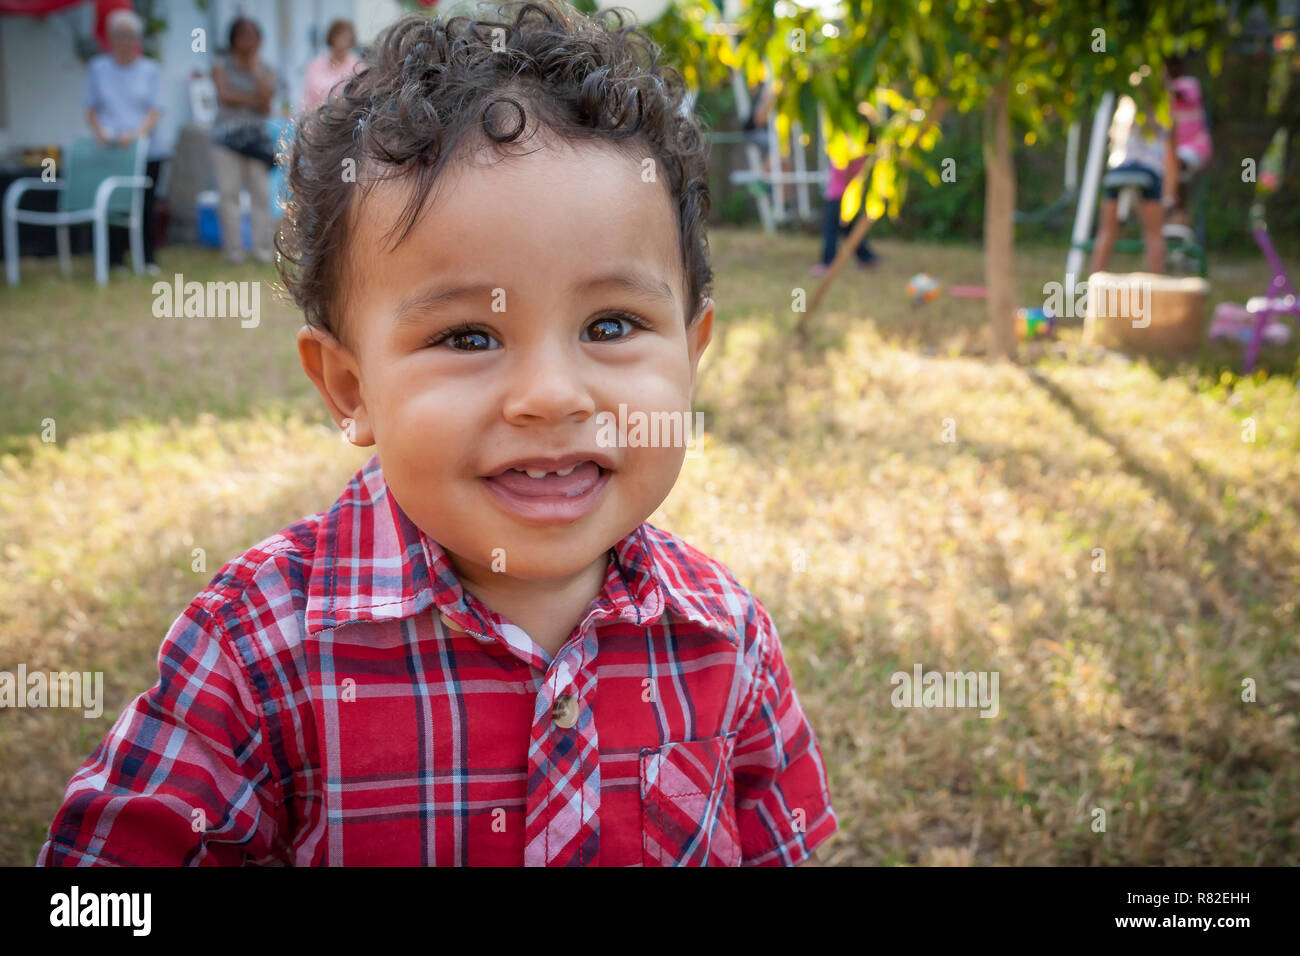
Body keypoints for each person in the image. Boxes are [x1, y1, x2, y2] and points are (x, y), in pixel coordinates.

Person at [37, 0, 837, 867]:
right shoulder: (256, 650)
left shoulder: (725, 637)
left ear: (691, 353)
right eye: (468, 337)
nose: (550, 396)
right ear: (351, 388)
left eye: (610, 325)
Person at [82, 9, 165, 274]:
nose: (125, 42)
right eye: (119, 36)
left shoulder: (150, 69)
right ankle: (114, 259)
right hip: (112, 148)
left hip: (146, 149)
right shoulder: (99, 68)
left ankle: (147, 258)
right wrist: (101, 133)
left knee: (145, 204)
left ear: (137, 40)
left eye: (130, 36)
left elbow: (156, 109)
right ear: (110, 38)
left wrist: (138, 134)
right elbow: (90, 108)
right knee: (112, 204)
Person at [210, 17, 276, 265]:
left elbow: (267, 103)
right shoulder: (221, 65)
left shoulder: (265, 68)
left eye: (253, 36)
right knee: (229, 194)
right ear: (233, 39)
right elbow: (223, 96)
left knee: (260, 193)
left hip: (256, 139)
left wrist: (254, 68)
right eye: (243, 36)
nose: (248, 41)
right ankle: (234, 252)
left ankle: (262, 250)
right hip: (225, 138)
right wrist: (254, 100)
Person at [1090, 88, 1168, 275]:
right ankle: (1157, 281)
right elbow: (1170, 158)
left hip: (1119, 172)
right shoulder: (1163, 115)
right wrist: (1170, 196)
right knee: (1154, 235)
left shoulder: (1123, 113)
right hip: (1149, 173)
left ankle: (1094, 280)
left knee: (1107, 232)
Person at [1163, 55, 1212, 229]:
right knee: (1172, 166)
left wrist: (1159, 83)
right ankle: (1175, 209)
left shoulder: (1189, 83)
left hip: (1196, 147)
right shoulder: (1163, 97)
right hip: (1173, 151)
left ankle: (1173, 204)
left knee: (1179, 163)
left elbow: (1179, 94)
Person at [813, 151, 877, 276]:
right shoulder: (853, 147)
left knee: (831, 230)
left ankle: (828, 263)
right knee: (849, 230)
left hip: (841, 196)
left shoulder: (852, 148)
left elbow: (849, 173)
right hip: (841, 195)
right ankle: (867, 258)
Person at [299, 18, 361, 114]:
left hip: (344, 121)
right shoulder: (315, 65)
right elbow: (307, 97)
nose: (343, 41)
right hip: (315, 118)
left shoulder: (357, 66)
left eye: (347, 38)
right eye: (340, 36)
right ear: (332, 37)